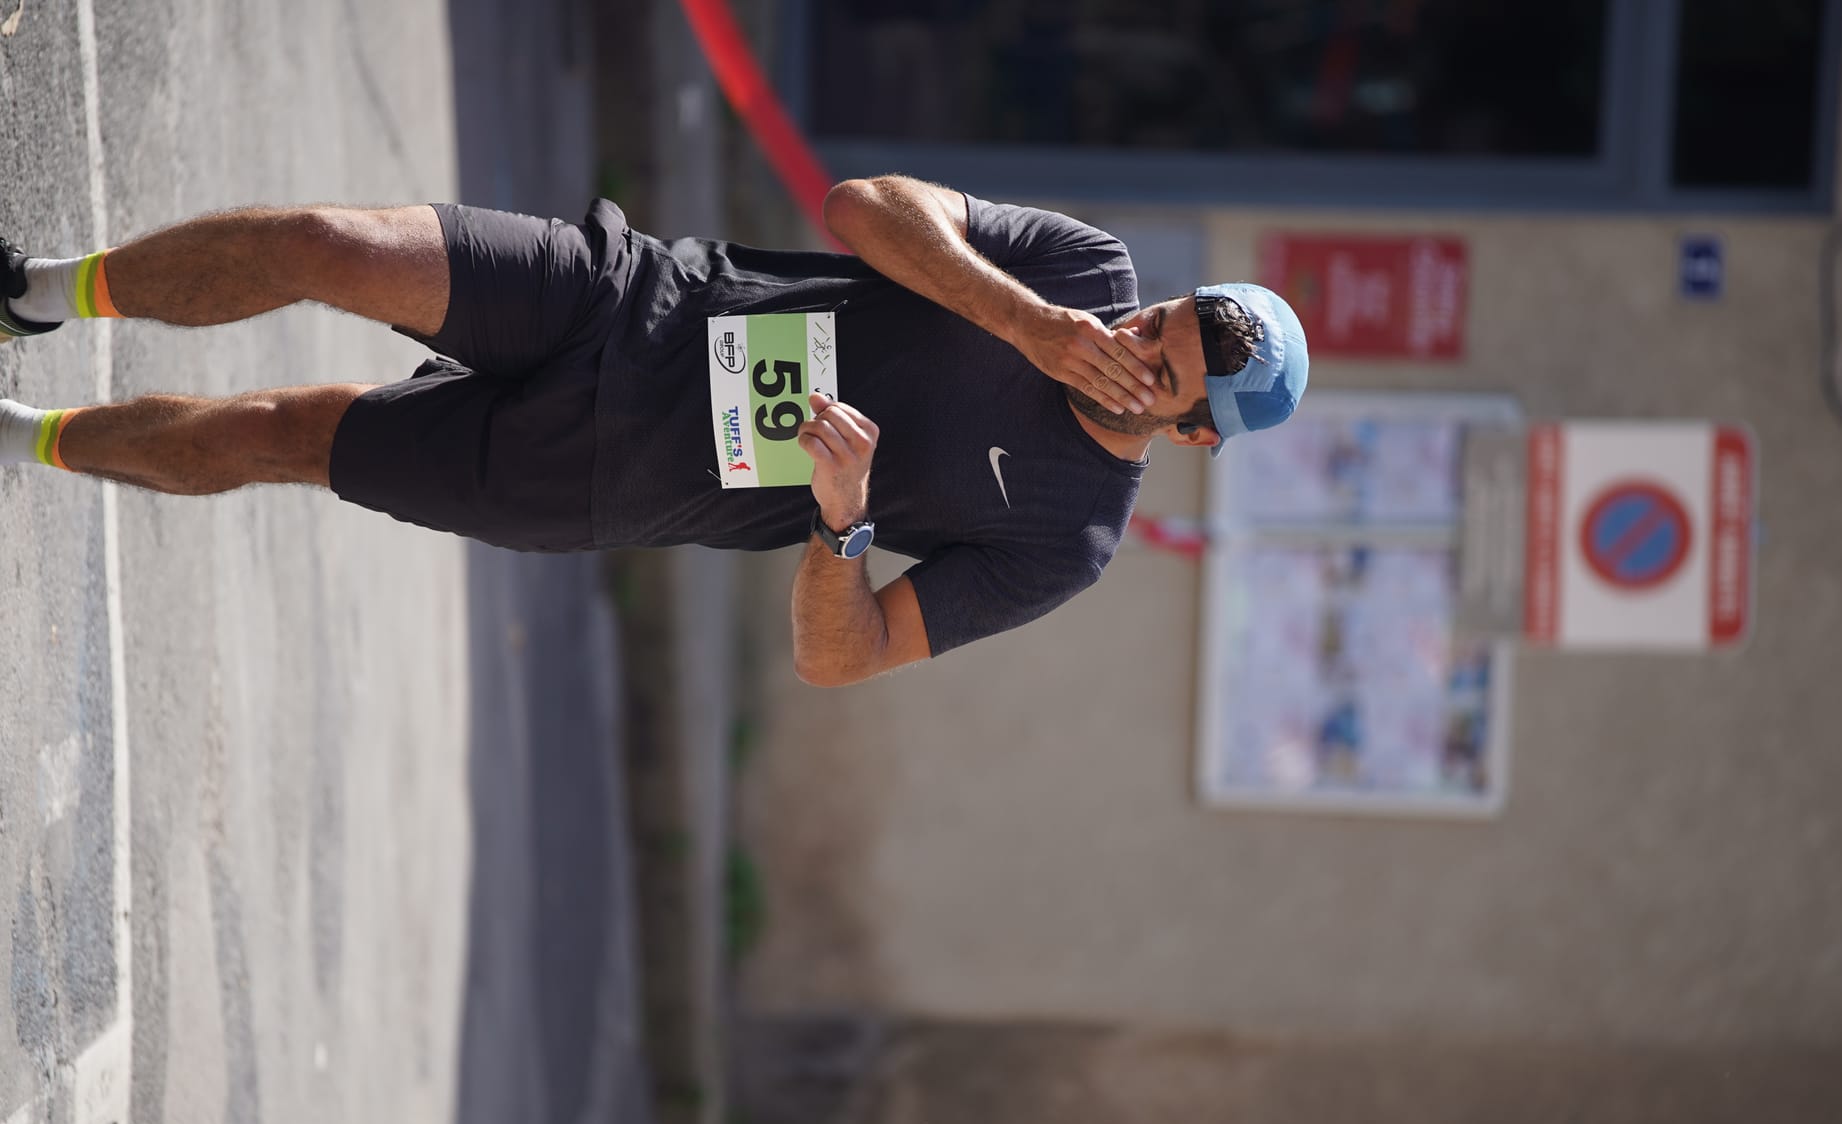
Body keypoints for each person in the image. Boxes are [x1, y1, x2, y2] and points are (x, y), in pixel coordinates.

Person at [0, 177, 1307, 685]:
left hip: (598, 477)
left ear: (1191, 437)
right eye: (1159, 318)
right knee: (319, 243)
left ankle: (19, 437)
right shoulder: (1079, 271)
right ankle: (35, 292)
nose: (1133, 339)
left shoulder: (1066, 540)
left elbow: (842, 657)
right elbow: (864, 209)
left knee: (281, 429)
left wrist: (844, 524)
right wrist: (1023, 320)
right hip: (630, 298)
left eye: (1162, 370)